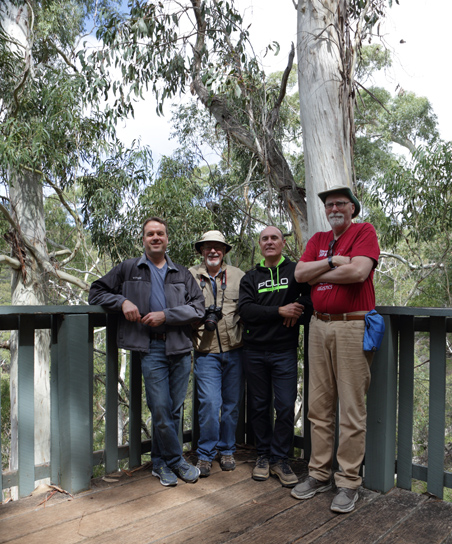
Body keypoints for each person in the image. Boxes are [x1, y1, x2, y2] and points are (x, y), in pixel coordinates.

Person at [88, 217, 205, 487]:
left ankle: (160, 462)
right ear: (143, 239)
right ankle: (176, 461)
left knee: (173, 411)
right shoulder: (130, 268)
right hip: (150, 347)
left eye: (160, 234)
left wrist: (166, 315)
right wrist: (122, 301)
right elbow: (96, 291)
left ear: (167, 239)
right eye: (150, 234)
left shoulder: (181, 273)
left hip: (179, 345)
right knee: (161, 408)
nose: (155, 237)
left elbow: (198, 308)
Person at [292, 185, 380, 514]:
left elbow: (359, 271)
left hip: (352, 325)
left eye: (340, 203)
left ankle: (347, 482)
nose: (333, 209)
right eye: (329, 205)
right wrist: (332, 261)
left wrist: (323, 272)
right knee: (318, 405)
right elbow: (301, 275)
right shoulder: (317, 241)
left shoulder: (363, 232)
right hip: (318, 325)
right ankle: (318, 474)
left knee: (351, 408)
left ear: (352, 208)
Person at [238, 226, 312, 488]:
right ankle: (263, 455)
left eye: (274, 238)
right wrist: (280, 311)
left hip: (284, 351)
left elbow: (311, 297)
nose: (269, 242)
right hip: (254, 351)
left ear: (282, 243)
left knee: (284, 406)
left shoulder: (296, 272)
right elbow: (246, 310)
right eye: (264, 239)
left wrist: (298, 310)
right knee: (258, 407)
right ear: (260, 245)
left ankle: (281, 459)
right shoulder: (250, 278)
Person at [189, 230, 245, 477]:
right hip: (205, 350)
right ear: (201, 250)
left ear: (224, 251)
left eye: (218, 247)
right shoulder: (189, 276)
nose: (213, 251)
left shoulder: (239, 276)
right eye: (208, 247)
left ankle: (227, 450)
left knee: (231, 406)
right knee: (210, 404)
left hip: (235, 350)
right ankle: (204, 454)